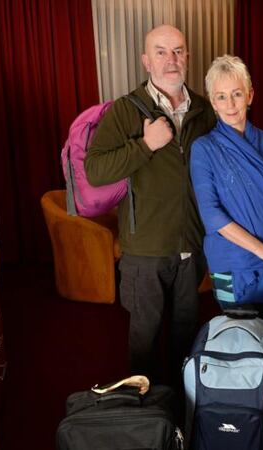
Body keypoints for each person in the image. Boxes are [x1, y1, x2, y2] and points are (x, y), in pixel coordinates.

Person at [84, 25, 216, 382]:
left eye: (178, 51)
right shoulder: (126, 110)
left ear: (187, 56)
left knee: (186, 336)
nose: (171, 59)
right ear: (146, 61)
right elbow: (95, 170)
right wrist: (145, 145)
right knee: (144, 339)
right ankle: (145, 407)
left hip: (192, 246)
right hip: (144, 252)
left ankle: (182, 405)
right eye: (161, 52)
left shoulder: (205, 110)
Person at [190, 55, 263, 316]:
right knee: (239, 330)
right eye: (221, 97)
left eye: (237, 94)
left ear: (250, 96)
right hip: (231, 263)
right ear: (213, 102)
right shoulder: (204, 149)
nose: (230, 104)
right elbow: (211, 214)